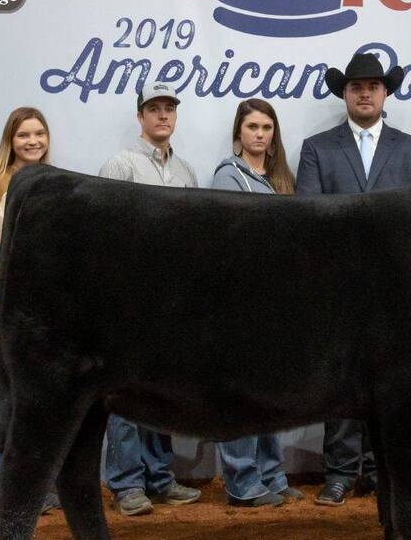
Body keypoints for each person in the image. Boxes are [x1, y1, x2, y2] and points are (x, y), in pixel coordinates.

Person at [295, 50, 411, 506]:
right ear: (346, 94)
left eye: (373, 86)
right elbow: (309, 215)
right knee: (340, 379)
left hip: (397, 288)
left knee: (393, 381)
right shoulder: (318, 147)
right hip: (337, 285)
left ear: (385, 92)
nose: (365, 93)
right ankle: (338, 471)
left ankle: (380, 469)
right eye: (357, 86)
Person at [97, 82, 204, 516]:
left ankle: (160, 477)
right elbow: (102, 232)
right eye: (154, 109)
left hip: (171, 299)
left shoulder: (187, 172)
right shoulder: (120, 166)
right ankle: (126, 483)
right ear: (140, 116)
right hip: (128, 296)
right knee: (123, 392)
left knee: (160, 390)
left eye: (169, 109)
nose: (163, 116)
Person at [209, 98, 305, 508]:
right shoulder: (228, 177)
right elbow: (229, 242)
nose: (260, 134)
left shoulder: (281, 180)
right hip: (240, 302)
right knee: (242, 394)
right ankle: (242, 481)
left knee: (270, 393)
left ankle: (271, 474)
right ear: (238, 135)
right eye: (252, 127)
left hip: (275, 302)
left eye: (266, 127)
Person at [0, 106, 58, 518]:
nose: (33, 142)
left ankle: (34, 491)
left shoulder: (54, 184)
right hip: (10, 313)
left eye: (39, 134)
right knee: (0, 400)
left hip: (46, 316)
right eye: (24, 135)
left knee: (39, 404)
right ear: (11, 140)